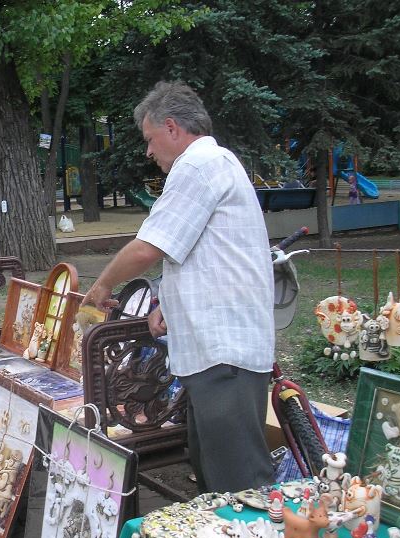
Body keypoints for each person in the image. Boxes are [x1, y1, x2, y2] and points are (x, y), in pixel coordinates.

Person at [82, 81, 275, 494]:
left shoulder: (197, 165)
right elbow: (204, 255)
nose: (149, 152)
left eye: (150, 140)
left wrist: (101, 285)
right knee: (215, 476)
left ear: (172, 128)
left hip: (224, 354)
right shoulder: (213, 164)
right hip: (218, 353)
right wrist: (167, 304)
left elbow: (148, 247)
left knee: (239, 485)